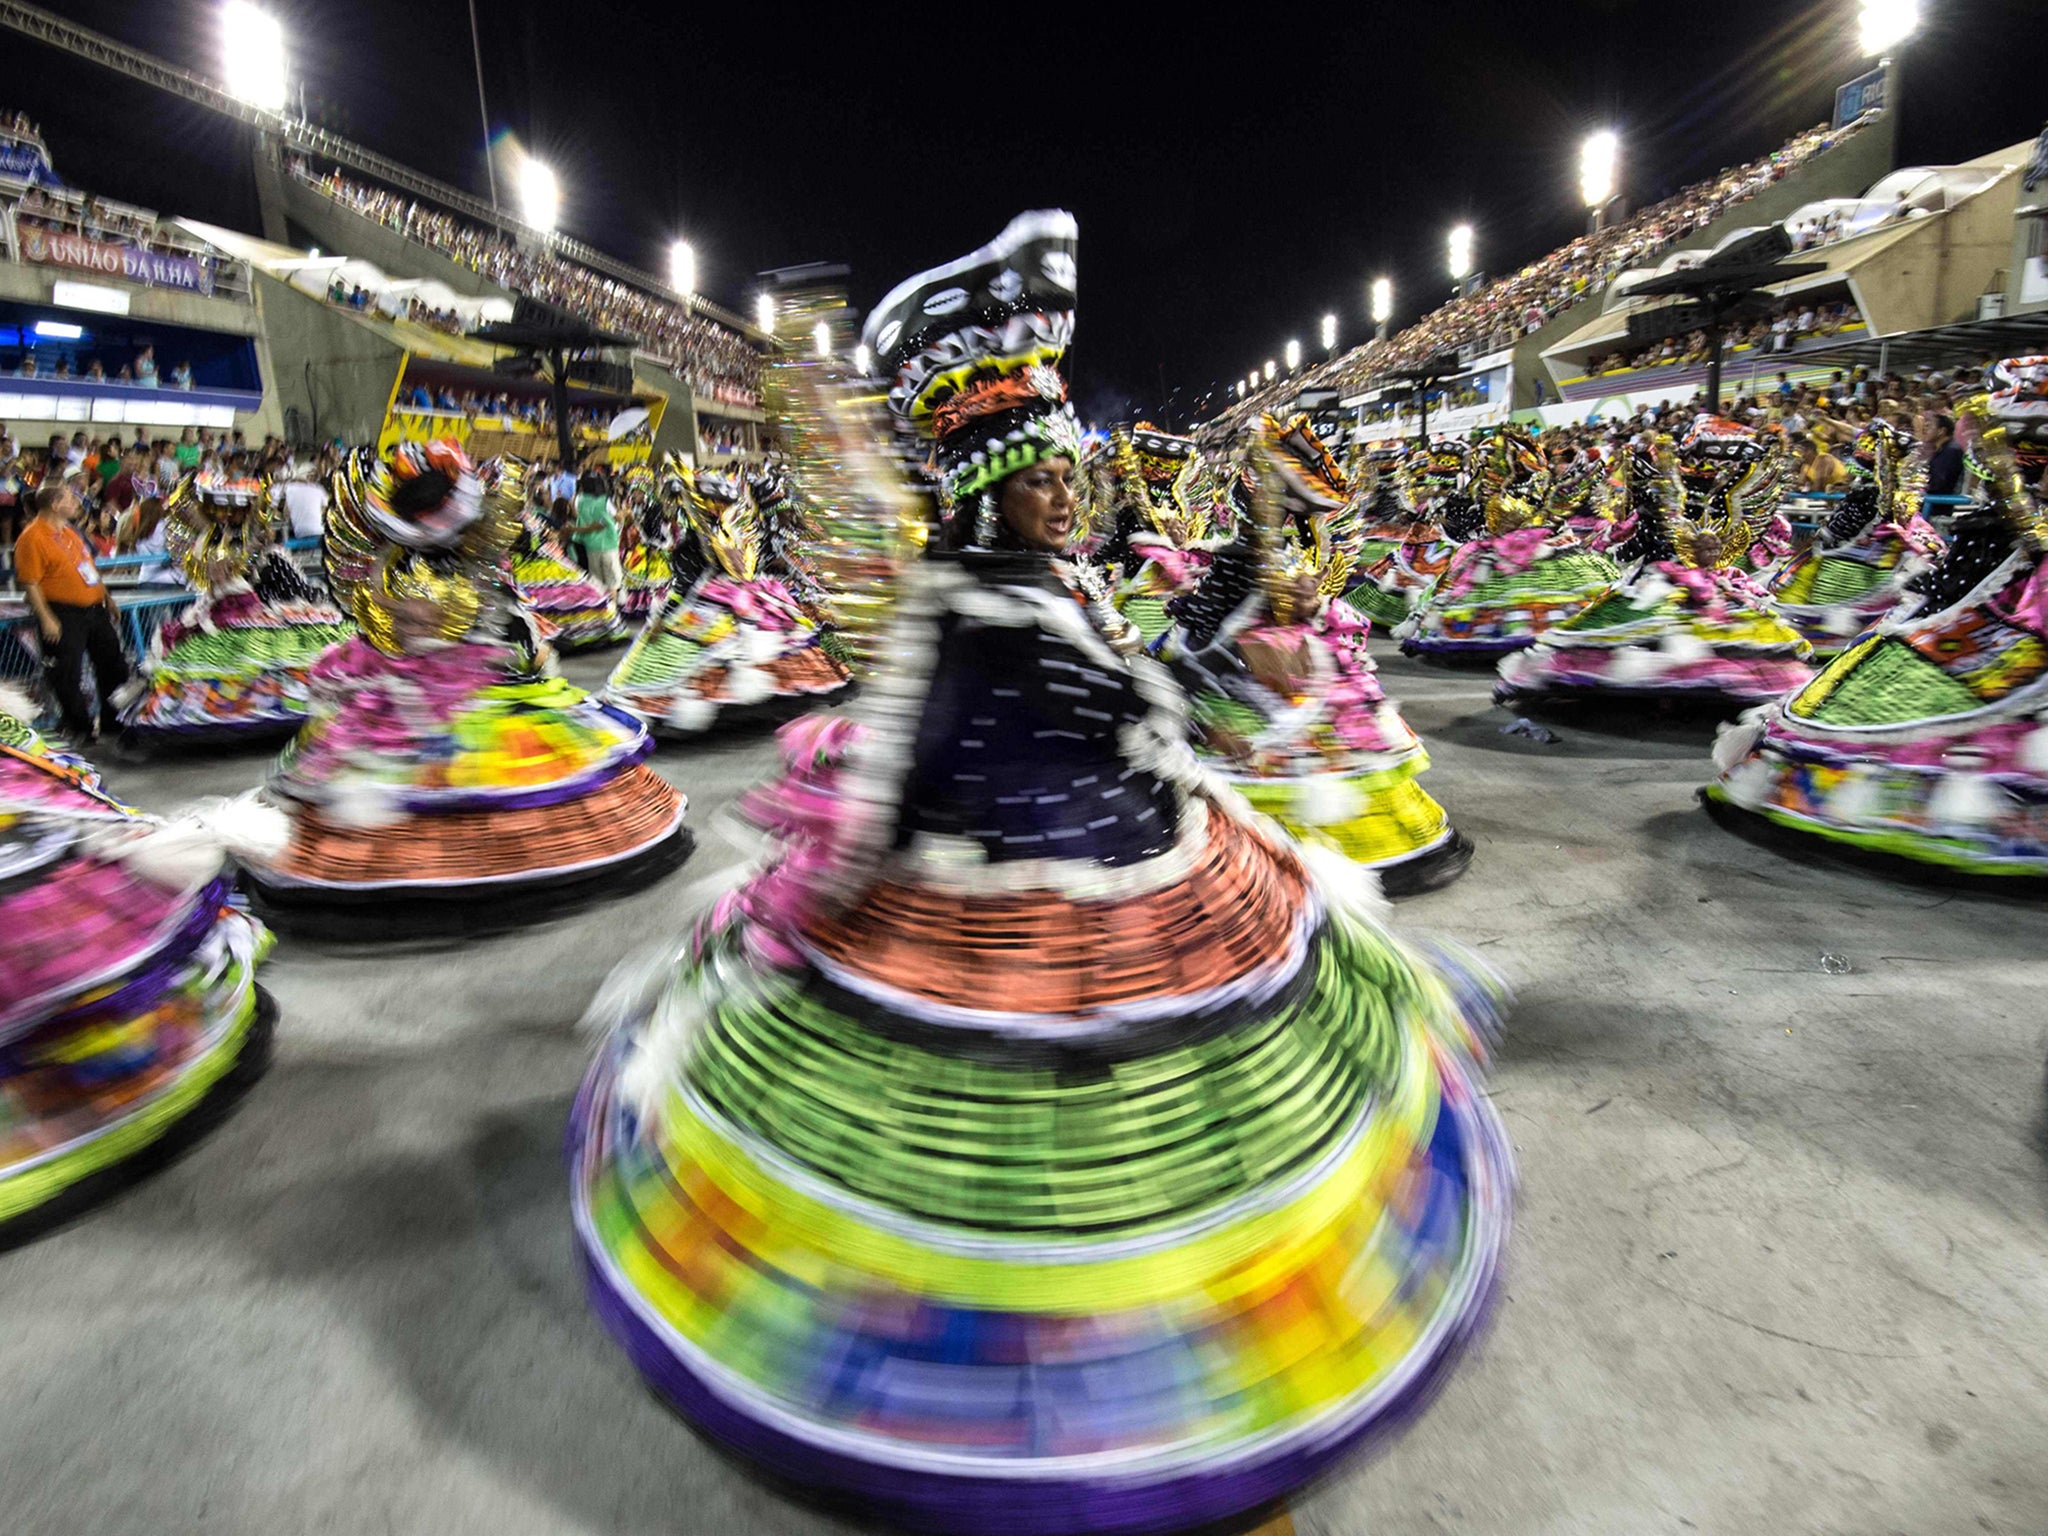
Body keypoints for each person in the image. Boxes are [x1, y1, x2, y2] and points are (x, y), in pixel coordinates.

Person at [569, 214, 1511, 1534]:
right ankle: (1033, 1418)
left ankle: (1193, 1397)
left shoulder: (1061, 589)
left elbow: (1138, 708)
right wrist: (822, 897)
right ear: (984, 490)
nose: (1069, 498)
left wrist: (1195, 727)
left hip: (1156, 887)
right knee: (1024, 1167)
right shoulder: (958, 612)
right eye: (1043, 481)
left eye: (1070, 477)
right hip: (999, 919)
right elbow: (907, 769)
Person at [13, 480, 130, 745]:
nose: (77, 503)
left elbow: (88, 569)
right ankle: (80, 727)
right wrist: (46, 618)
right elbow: (30, 583)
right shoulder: (32, 538)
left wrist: (106, 597)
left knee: (114, 664)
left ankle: (113, 721)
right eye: (71, 498)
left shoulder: (70, 533)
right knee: (66, 674)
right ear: (55, 505)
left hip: (93, 610)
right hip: (63, 613)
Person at [569, 472, 622, 592]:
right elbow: (617, 517)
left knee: (597, 584)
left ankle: (600, 609)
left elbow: (575, 514)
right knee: (612, 583)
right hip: (609, 545)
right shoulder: (605, 501)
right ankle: (612, 609)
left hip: (591, 546)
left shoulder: (579, 500)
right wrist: (608, 522)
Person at [1923, 412, 1964, 497]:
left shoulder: (1951, 450)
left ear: (1941, 431)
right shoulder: (1943, 448)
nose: (1924, 430)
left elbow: (1939, 484)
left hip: (1938, 503)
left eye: (1929, 426)